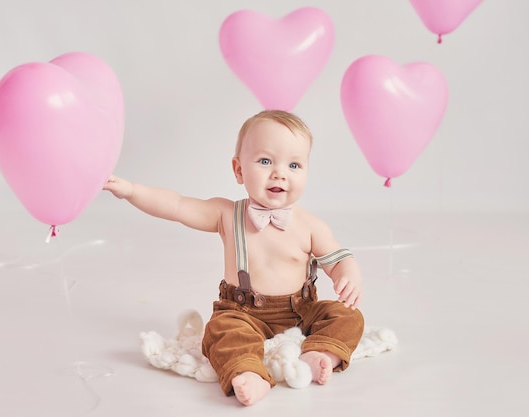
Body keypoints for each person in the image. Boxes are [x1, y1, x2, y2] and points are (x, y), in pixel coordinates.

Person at [103, 110, 364, 406]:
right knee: (221, 331)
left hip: (301, 309)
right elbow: (176, 205)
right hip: (243, 312)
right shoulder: (227, 214)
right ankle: (248, 370)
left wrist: (347, 275)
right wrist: (131, 191)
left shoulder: (310, 225)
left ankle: (321, 352)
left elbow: (339, 259)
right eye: (265, 161)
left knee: (347, 316)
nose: (279, 172)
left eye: (294, 164)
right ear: (239, 170)